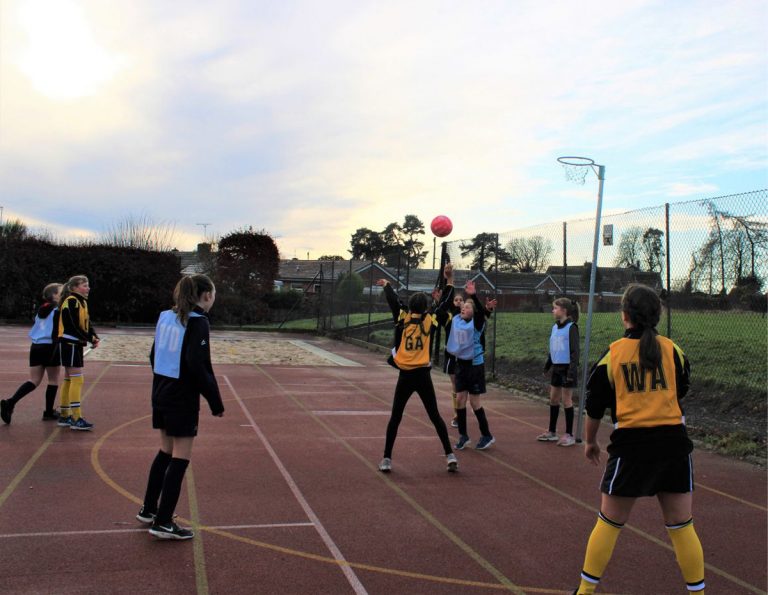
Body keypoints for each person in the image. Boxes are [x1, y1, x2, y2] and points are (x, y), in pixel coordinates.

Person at [573, 284, 704, 595]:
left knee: (608, 523)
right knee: (682, 527)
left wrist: (590, 442)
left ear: (624, 316)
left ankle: (584, 592)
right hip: (673, 446)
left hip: (631, 448)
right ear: (657, 316)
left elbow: (594, 408)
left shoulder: (613, 355)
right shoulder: (673, 350)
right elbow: (681, 388)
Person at [137, 274, 224, 540]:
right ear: (206, 296)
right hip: (181, 396)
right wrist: (215, 401)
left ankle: (149, 509)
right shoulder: (198, 323)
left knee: (165, 451)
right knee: (180, 457)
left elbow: (153, 355)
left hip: (161, 390)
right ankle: (163, 521)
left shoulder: (165, 316)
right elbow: (198, 366)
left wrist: (164, 379)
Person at [376, 275, 458, 474]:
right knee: (435, 416)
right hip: (423, 376)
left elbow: (394, 301)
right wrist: (450, 281)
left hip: (405, 376)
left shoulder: (402, 318)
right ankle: (450, 455)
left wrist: (387, 285)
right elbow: (445, 305)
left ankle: (387, 458)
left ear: (411, 307)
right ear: (424, 308)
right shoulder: (429, 321)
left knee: (395, 417)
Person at [443, 269, 495, 451]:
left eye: (467, 307)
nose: (463, 308)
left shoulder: (477, 323)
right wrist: (448, 279)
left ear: (473, 312)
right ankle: (463, 436)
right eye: (462, 306)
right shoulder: (457, 320)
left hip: (475, 366)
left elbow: (481, 314)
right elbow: (449, 305)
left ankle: (486, 434)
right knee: (460, 400)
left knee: (474, 402)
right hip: (461, 365)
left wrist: (474, 296)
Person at [1, 283, 63, 424]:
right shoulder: (58, 310)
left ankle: (10, 402)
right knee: (53, 380)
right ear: (54, 295)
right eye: (61, 291)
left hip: (35, 346)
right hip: (50, 346)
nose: (64, 293)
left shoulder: (41, 309)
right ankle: (48, 412)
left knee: (34, 380)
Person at [56, 275, 100, 431]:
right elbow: (72, 325)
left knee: (69, 380)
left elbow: (86, 323)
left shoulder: (82, 302)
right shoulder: (71, 302)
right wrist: (89, 338)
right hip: (70, 343)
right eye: (84, 285)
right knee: (77, 379)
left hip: (74, 344)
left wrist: (93, 336)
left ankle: (64, 415)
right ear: (74, 287)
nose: (88, 288)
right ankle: (76, 417)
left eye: (88, 285)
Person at [537, 297, 580, 446]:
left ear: (564, 311)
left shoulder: (572, 328)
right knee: (553, 399)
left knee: (566, 400)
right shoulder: (554, 328)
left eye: (555, 308)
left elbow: (575, 352)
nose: (553, 310)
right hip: (556, 368)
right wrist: (547, 366)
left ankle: (569, 434)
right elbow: (553, 349)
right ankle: (552, 432)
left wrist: (571, 372)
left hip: (567, 368)